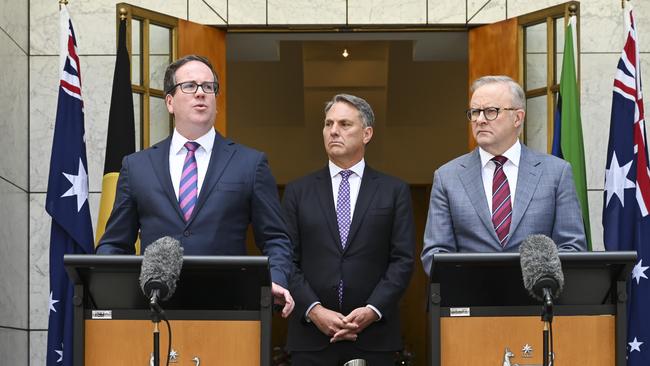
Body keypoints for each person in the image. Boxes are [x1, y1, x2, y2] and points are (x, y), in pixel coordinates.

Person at [96, 55, 294, 317]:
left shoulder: (250, 163)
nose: (200, 93)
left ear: (216, 101)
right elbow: (115, 244)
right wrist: (110, 292)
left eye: (208, 87)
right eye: (189, 86)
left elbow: (275, 238)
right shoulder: (137, 166)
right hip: (154, 310)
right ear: (169, 102)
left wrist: (277, 278)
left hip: (229, 310)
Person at [282, 94, 415, 366]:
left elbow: (402, 260)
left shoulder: (394, 191)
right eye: (328, 123)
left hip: (374, 337)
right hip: (311, 338)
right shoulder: (297, 192)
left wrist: (372, 310)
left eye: (344, 124)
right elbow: (286, 260)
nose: (333, 131)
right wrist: (314, 310)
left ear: (367, 134)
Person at [421, 75, 586, 275]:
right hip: (472, 300)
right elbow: (435, 254)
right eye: (474, 112)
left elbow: (572, 248)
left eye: (491, 111)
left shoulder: (556, 173)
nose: (480, 120)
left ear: (518, 117)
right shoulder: (447, 177)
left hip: (536, 302)